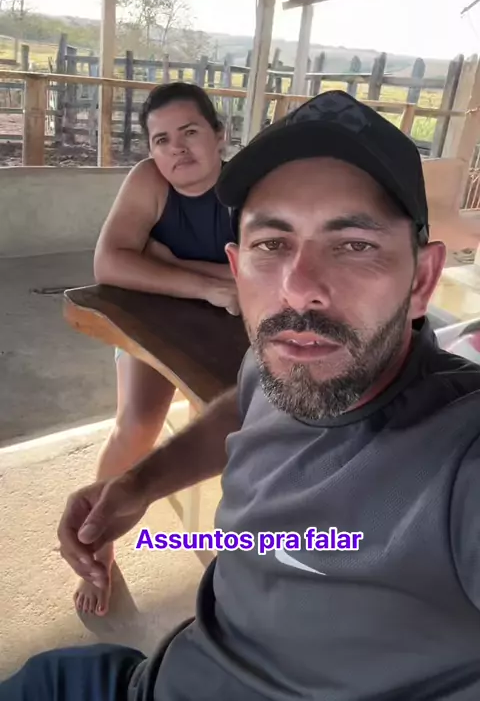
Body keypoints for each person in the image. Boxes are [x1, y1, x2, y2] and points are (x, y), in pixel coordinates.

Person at [5, 90, 480, 701]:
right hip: (154, 675)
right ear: (236, 266)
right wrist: (139, 484)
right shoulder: (279, 359)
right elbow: (245, 402)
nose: (298, 289)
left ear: (422, 280)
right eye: (271, 245)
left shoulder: (456, 453)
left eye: (354, 245)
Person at [75, 81, 238, 616]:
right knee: (138, 425)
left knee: (229, 426)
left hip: (230, 329)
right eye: (161, 139)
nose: (176, 150)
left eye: (189, 133)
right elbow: (109, 264)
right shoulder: (149, 180)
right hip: (152, 321)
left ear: (219, 135)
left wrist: (164, 261)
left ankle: (238, 553)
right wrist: (208, 283)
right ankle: (98, 542)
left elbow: (268, 274)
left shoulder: (249, 188)